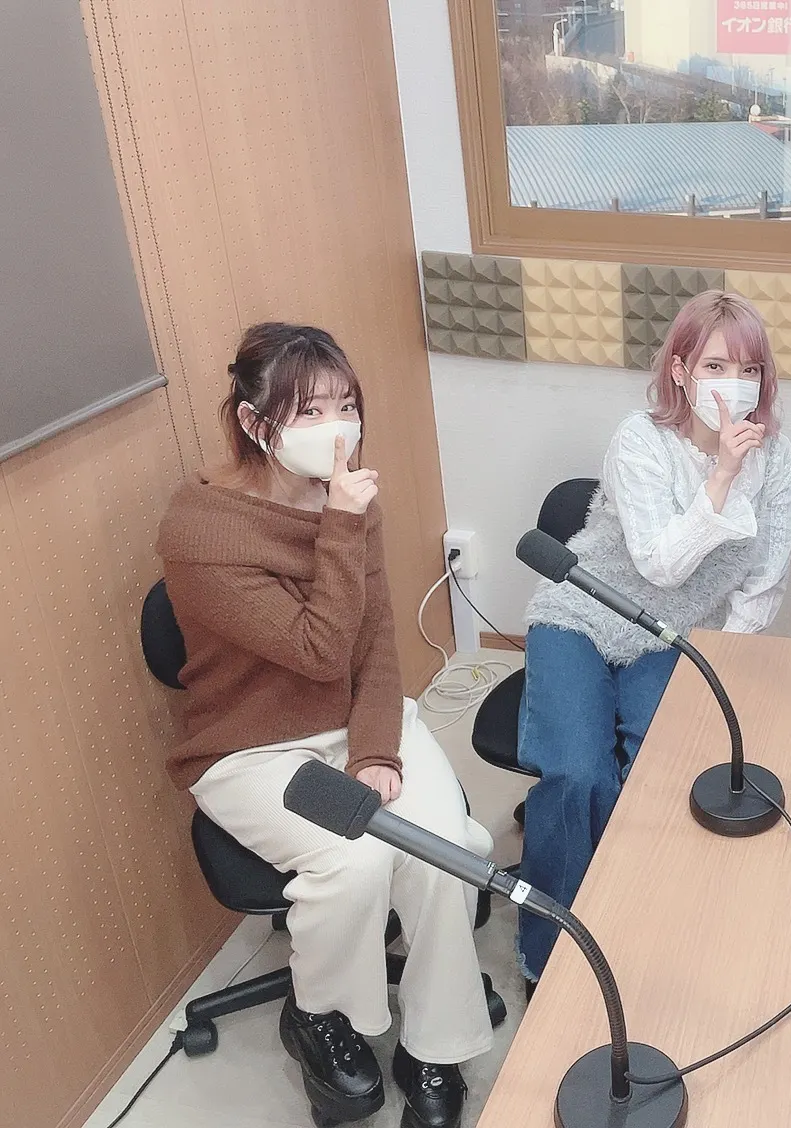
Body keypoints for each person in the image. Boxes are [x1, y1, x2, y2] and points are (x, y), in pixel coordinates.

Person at [157, 323, 492, 1128]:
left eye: (346, 405)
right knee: (353, 863)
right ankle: (322, 1018)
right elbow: (319, 650)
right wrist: (342, 523)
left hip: (356, 720)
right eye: (309, 411)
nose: (337, 427)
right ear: (253, 422)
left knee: (441, 849)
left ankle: (436, 1047)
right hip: (250, 747)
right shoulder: (201, 530)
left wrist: (376, 749)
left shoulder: (346, 499)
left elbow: (374, 643)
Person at [517, 290, 791, 985]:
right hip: (584, 614)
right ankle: (547, 956)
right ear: (679, 370)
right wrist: (722, 476)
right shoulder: (639, 440)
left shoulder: (777, 458)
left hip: (670, 634)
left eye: (750, 369)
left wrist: (719, 664)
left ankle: (628, 920)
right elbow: (659, 565)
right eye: (715, 367)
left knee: (662, 771)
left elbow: (763, 583)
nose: (735, 385)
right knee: (578, 773)